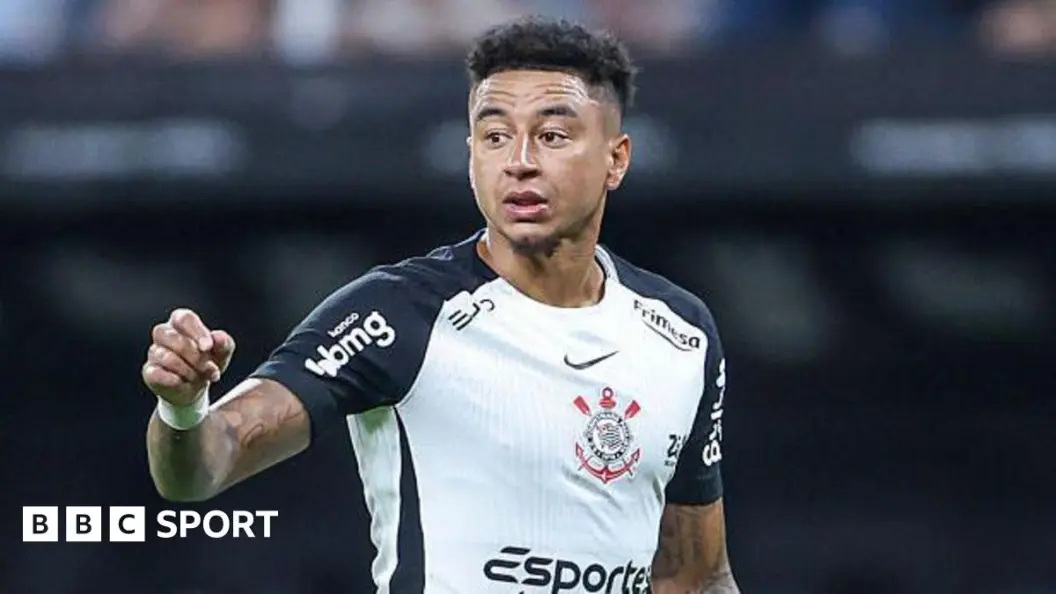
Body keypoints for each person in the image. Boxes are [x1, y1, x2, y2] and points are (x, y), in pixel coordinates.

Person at [141, 16, 739, 594]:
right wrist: (184, 407)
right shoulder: (400, 313)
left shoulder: (680, 334)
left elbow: (695, 578)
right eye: (495, 136)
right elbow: (204, 465)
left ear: (616, 158)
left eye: (552, 136)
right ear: (472, 154)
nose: (520, 161)